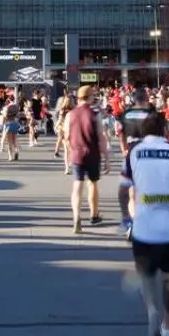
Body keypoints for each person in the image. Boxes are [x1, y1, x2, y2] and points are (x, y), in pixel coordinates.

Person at [120, 108, 169, 336]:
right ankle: (167, 324)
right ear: (164, 129)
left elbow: (123, 189)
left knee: (146, 277)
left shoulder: (133, 153)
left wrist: (125, 218)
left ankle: (151, 309)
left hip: (144, 226)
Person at [65, 85, 106, 233]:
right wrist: (106, 158)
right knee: (93, 184)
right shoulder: (95, 114)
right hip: (92, 154)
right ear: (90, 97)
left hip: (76, 154)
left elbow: (66, 136)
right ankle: (94, 215)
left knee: (77, 185)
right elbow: (101, 137)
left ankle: (76, 218)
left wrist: (70, 152)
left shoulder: (70, 114)